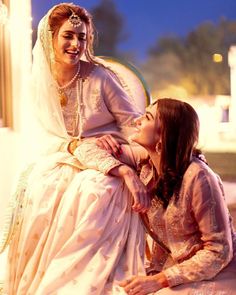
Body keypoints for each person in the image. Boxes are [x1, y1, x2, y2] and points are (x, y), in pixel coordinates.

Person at [2, 3, 150, 294]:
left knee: (93, 191)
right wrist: (77, 145)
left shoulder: (100, 77)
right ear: (50, 37)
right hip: (63, 157)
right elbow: (41, 136)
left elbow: (133, 124)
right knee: (44, 191)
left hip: (110, 155)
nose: (75, 44)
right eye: (68, 36)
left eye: (81, 37)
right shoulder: (36, 83)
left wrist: (126, 159)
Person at [120, 98, 236, 294]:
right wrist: (125, 172)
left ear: (163, 136)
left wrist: (161, 280)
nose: (137, 120)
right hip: (171, 269)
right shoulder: (146, 166)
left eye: (147, 117)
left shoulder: (199, 177)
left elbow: (219, 250)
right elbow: (87, 149)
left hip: (217, 271)